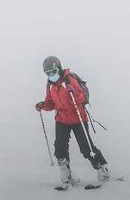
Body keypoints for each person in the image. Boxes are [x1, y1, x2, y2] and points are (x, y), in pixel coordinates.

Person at [35, 56, 109, 189]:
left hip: (78, 118)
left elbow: (81, 96)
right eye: (47, 73)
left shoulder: (69, 79)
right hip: (61, 120)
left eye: (53, 71)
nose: (51, 75)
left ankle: (102, 172)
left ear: (58, 68)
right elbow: (51, 103)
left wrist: (72, 90)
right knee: (59, 148)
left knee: (86, 147)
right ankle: (67, 178)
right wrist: (43, 105)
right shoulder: (50, 85)